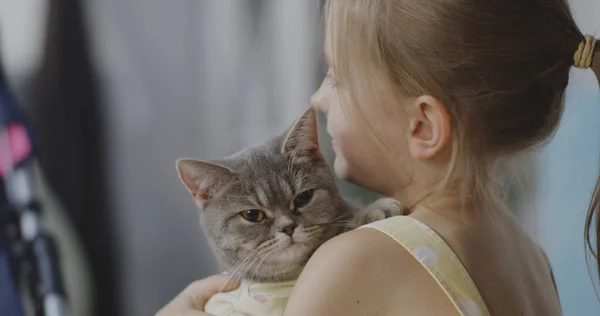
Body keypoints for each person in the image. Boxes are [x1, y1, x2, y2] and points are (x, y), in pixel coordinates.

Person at [157, 0, 600, 315]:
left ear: (423, 125)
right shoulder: (528, 255)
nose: (319, 98)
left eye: (336, 77)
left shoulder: (358, 260)